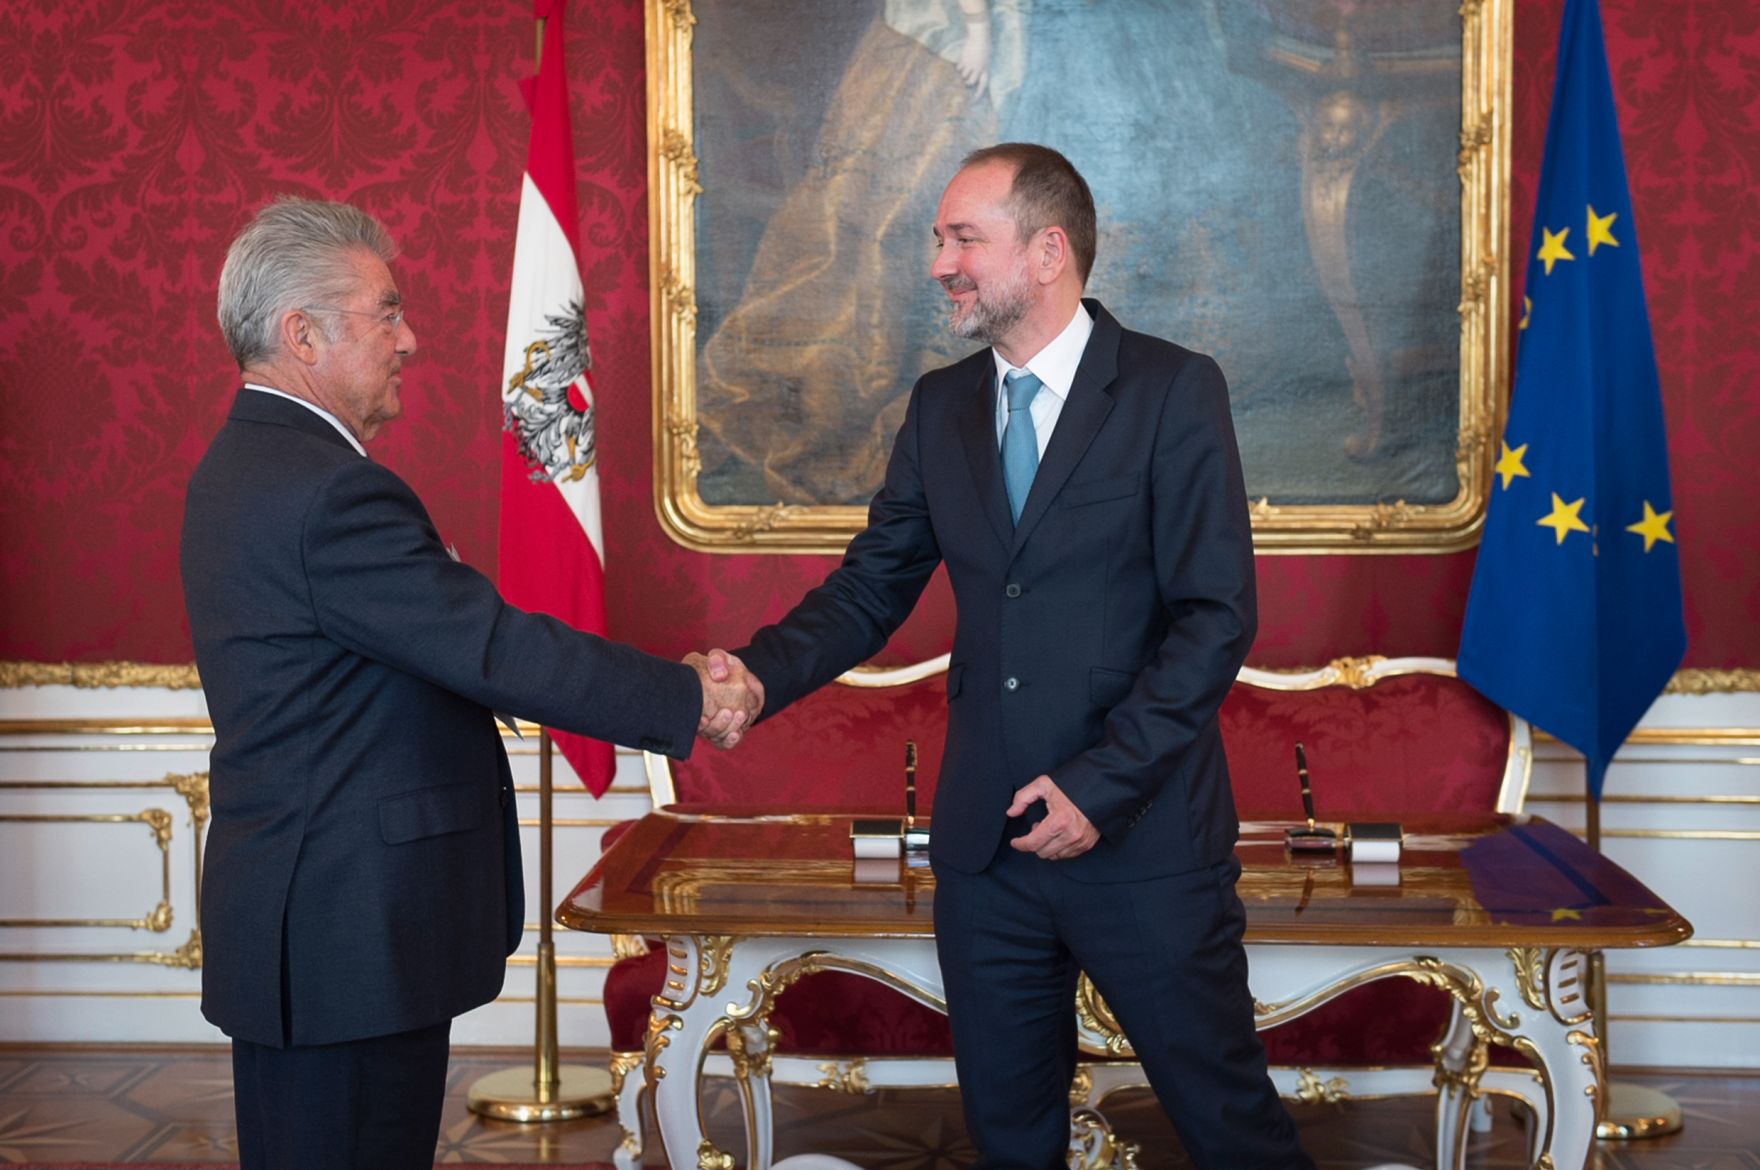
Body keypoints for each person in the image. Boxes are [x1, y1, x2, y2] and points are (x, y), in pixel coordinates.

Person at [703, 145, 1313, 1168]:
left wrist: (1098, 788)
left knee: (1229, 1128)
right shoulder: (939, 408)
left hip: (1144, 844)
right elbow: (869, 587)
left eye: (960, 239)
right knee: (1010, 1139)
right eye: (937, 240)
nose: (938, 263)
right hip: (985, 853)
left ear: (1044, 252)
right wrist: (757, 676)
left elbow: (1213, 619)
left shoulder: (1171, 389)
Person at [181, 198, 759, 1170]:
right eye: (386, 312)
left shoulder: (252, 465)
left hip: (313, 916)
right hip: (344, 923)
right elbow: (489, 647)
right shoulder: (327, 492)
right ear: (302, 333)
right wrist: (687, 697)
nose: (409, 339)